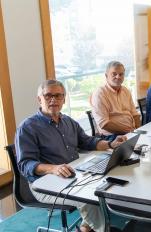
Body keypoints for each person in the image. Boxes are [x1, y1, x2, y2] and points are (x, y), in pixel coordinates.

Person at [16, 80, 127, 232]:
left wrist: (110, 144)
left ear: (64, 99)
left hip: (74, 174)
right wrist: (53, 169)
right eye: (48, 95)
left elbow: (87, 142)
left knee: (106, 182)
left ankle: (86, 228)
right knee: (88, 198)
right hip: (45, 185)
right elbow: (25, 164)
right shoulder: (28, 127)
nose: (53, 100)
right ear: (39, 99)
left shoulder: (68, 121)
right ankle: (103, 229)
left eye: (58, 96)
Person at [91, 61, 140, 141]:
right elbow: (104, 124)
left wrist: (138, 131)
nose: (118, 77)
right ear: (106, 76)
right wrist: (128, 131)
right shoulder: (100, 94)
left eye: (121, 74)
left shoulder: (125, 91)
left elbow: (135, 115)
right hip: (111, 136)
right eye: (114, 74)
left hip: (131, 132)